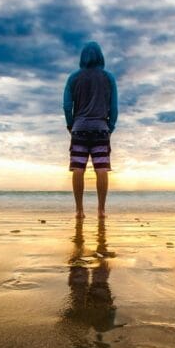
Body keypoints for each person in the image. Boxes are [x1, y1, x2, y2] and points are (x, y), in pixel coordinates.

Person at [62, 41, 118, 219]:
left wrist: (71, 124)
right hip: (101, 128)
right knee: (101, 169)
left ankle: (79, 211)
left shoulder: (73, 78)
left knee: (78, 169)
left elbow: (66, 105)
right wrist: (111, 126)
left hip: (79, 128)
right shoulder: (108, 78)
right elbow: (114, 106)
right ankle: (101, 210)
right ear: (100, 56)